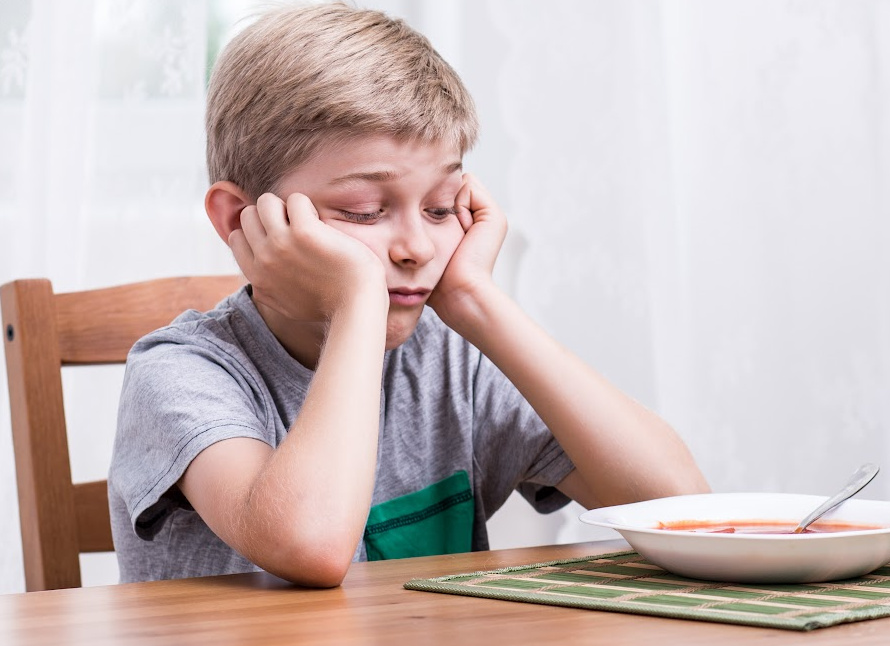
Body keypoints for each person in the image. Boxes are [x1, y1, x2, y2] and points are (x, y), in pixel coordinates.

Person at [108, 2, 709, 587]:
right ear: (240, 218)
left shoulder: (453, 361)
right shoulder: (180, 374)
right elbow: (311, 545)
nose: (417, 246)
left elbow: (683, 511)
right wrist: (357, 300)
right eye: (364, 211)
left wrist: (475, 299)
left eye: (441, 206)